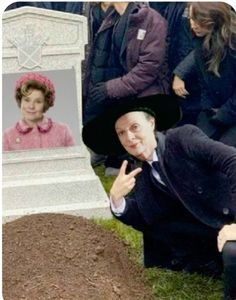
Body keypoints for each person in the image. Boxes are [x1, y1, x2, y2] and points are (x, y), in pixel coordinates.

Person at [82, 94, 236, 300]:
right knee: (162, 224)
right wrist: (117, 199)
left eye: (134, 127)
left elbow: (233, 161)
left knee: (232, 253)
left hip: (231, 215)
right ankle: (208, 260)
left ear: (151, 123)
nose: (129, 137)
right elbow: (148, 219)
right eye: (121, 133)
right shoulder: (142, 172)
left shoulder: (183, 138)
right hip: (209, 229)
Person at [83, 2, 169, 175]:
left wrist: (111, 88)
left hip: (145, 90)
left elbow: (148, 69)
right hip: (117, 85)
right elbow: (99, 56)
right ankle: (107, 152)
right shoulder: (111, 17)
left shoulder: (152, 20)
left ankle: (139, 162)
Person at [173, 2, 236, 147]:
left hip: (230, 109)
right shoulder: (200, 42)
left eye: (198, 20)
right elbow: (204, 81)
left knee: (223, 152)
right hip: (214, 108)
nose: (193, 25)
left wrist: (223, 114)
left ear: (214, 20)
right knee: (196, 147)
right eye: (190, 19)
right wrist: (209, 109)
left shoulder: (233, 44)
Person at [3, 72, 75, 151]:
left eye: (38, 101)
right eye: (27, 100)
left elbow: (74, 161)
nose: (31, 106)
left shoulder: (63, 131)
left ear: (45, 103)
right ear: (20, 100)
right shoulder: (8, 136)